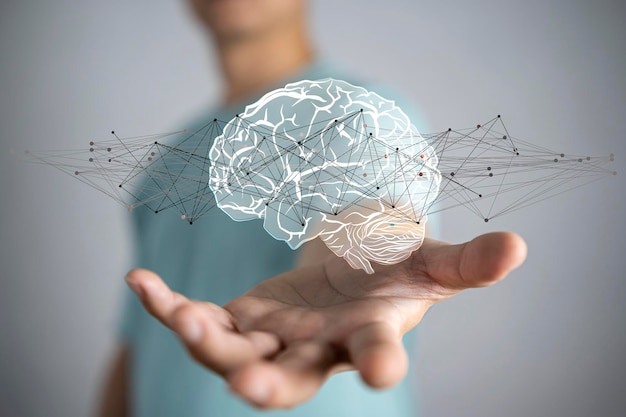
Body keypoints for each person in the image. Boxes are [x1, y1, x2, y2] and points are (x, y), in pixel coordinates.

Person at [99, 1, 527, 416]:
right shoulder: (167, 165)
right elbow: (137, 345)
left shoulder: (362, 113)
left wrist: (364, 262)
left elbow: (365, 213)